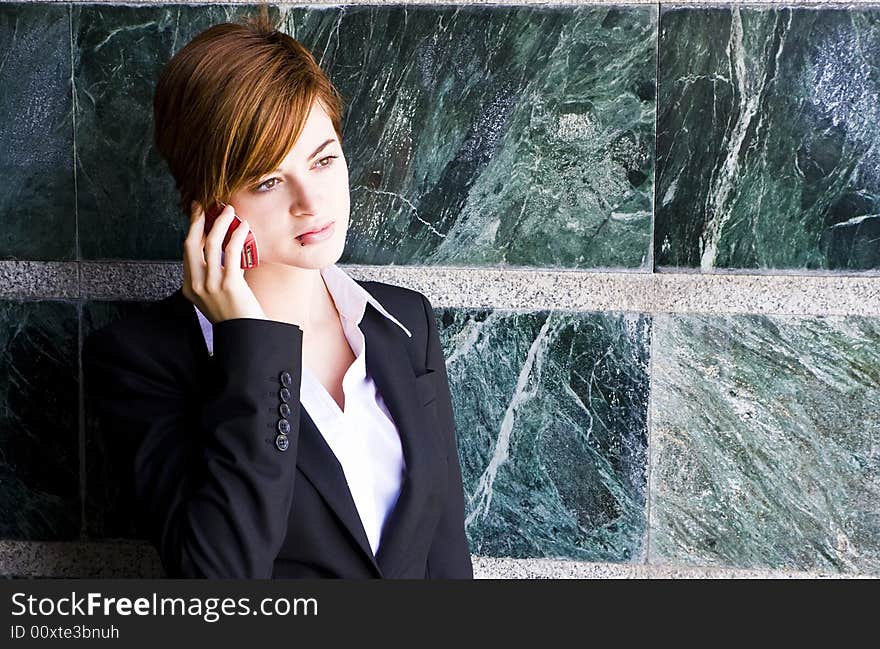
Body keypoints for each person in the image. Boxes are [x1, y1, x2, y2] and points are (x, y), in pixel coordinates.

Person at [82, 11, 473, 579]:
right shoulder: (143, 362)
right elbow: (219, 584)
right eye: (267, 180)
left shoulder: (405, 323)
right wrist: (251, 346)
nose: (311, 202)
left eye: (323, 159)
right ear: (208, 204)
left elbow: (445, 555)